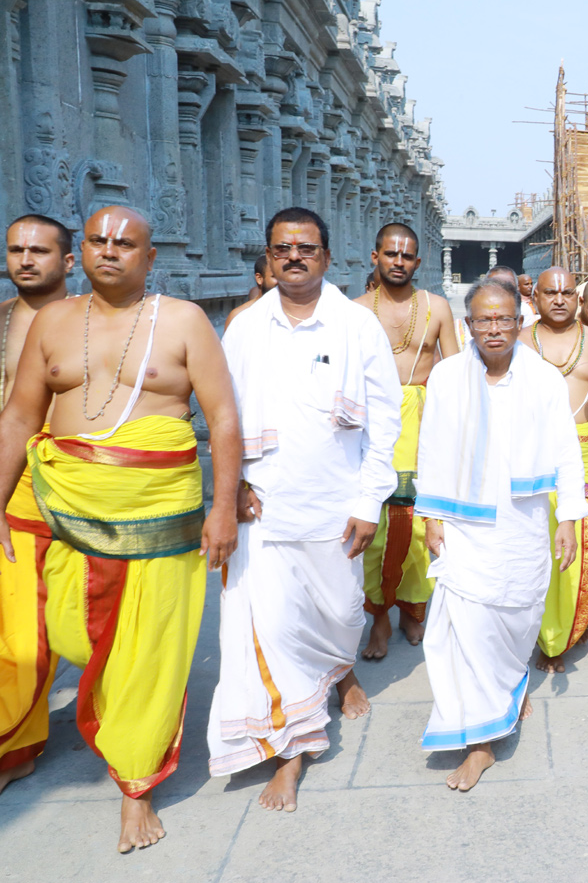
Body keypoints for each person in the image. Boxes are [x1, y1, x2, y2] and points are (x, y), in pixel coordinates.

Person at [0, 205, 240, 852]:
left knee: (150, 651)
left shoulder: (184, 322)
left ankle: (137, 785)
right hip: (72, 518)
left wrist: (222, 509)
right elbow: (21, 420)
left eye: (126, 242)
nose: (111, 250)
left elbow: (222, 419)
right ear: (80, 251)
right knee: (72, 634)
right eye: (98, 240)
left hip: (161, 517)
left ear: (149, 257)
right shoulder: (53, 323)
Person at [208, 207, 402, 813]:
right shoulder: (243, 327)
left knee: (342, 611)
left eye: (306, 248)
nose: (294, 256)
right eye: (282, 248)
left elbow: (385, 418)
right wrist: (231, 484)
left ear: (326, 254)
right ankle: (290, 751)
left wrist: (371, 499)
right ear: (268, 257)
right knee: (267, 626)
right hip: (262, 506)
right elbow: (221, 415)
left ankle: (340, 669)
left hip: (335, 504)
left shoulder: (355, 325)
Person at [415, 275, 587, 790]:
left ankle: (508, 686)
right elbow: (432, 446)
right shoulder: (446, 376)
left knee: (517, 618)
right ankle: (481, 744)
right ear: (468, 324)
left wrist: (568, 518)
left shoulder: (543, 379)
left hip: (522, 523)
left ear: (520, 322)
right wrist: (430, 516)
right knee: (461, 625)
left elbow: (565, 451)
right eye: (484, 319)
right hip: (463, 522)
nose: (494, 329)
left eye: (504, 319)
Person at [518, 268, 588, 674]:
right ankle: (555, 637)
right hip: (536, 457)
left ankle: (579, 609)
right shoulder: (519, 343)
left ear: (578, 299)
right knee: (548, 548)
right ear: (536, 298)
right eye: (551, 292)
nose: (560, 299)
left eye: (568, 292)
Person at [354, 222, 458, 660]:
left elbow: (455, 373)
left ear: (418, 261)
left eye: (407, 255)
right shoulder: (355, 310)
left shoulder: (436, 308)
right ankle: (378, 615)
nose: (399, 262)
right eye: (390, 254)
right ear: (375, 256)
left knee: (421, 524)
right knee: (373, 528)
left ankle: (413, 610)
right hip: (371, 425)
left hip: (424, 421)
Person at [0, 215, 73, 795]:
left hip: (83, 488)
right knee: (20, 628)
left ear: (66, 262)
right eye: (16, 250)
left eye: (39, 251)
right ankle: (15, 747)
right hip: (14, 487)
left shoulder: (88, 322)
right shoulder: (1, 320)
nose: (26, 260)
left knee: (87, 621)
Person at [224, 253, 277, 331]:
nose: (283, 282)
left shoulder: (296, 314)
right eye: (275, 276)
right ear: (259, 278)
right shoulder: (239, 316)